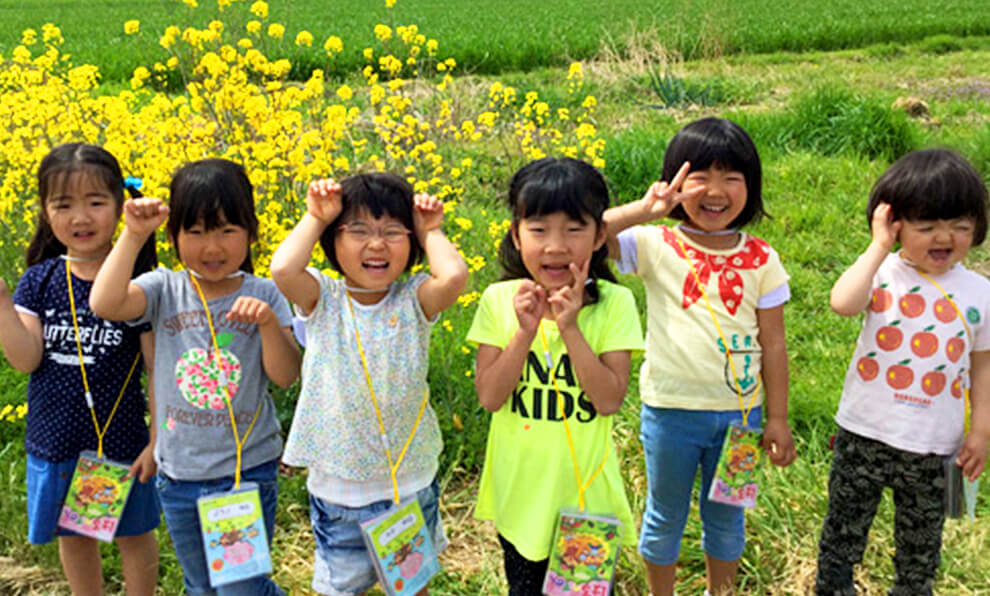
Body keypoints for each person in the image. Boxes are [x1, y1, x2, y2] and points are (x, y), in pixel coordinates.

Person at [90, 158, 301, 596]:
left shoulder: (264, 294)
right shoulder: (163, 288)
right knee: (201, 586)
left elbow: (286, 376)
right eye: (197, 232)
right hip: (179, 474)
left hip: (245, 472)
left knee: (241, 589)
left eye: (227, 230)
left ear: (251, 233)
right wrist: (131, 235)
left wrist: (265, 325)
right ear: (174, 236)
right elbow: (105, 303)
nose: (212, 247)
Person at [603, 117, 796, 596]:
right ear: (675, 182)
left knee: (728, 520)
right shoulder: (654, 244)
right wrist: (647, 209)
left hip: (743, 419)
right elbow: (589, 234)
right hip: (671, 413)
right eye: (700, 177)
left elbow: (774, 343)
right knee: (664, 514)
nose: (715, 190)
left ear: (751, 188)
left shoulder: (763, 258)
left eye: (732, 178)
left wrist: (777, 418)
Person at [269, 174, 467, 596]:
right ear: (332, 241)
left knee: (413, 588)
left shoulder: (414, 298)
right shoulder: (323, 298)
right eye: (358, 230)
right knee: (340, 590)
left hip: (410, 484)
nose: (376, 244)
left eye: (394, 232)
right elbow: (283, 269)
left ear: (411, 244)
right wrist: (315, 217)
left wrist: (430, 229)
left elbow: (452, 278)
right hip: (340, 493)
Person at [815, 149, 990, 596]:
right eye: (927, 226)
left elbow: (983, 365)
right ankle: (832, 587)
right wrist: (878, 247)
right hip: (864, 433)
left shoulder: (980, 293)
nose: (944, 238)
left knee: (921, 547)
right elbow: (842, 303)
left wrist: (982, 431)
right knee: (843, 531)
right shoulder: (882, 272)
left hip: (936, 446)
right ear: (895, 224)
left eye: (961, 227)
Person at [468, 157, 643, 595]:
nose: (556, 246)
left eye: (574, 229)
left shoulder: (615, 304)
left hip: (586, 499)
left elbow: (608, 400)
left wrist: (570, 328)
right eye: (539, 229)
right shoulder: (498, 300)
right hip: (521, 495)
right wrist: (524, 333)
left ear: (600, 235)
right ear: (516, 234)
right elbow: (490, 396)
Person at [0, 143, 160, 595]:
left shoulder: (139, 281)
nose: (80, 218)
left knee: (134, 534)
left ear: (120, 204)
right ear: (45, 211)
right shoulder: (40, 280)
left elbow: (155, 368)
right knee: (74, 537)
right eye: (63, 204)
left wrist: (157, 439)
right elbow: (25, 358)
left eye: (95, 202)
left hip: (122, 441)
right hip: (57, 440)